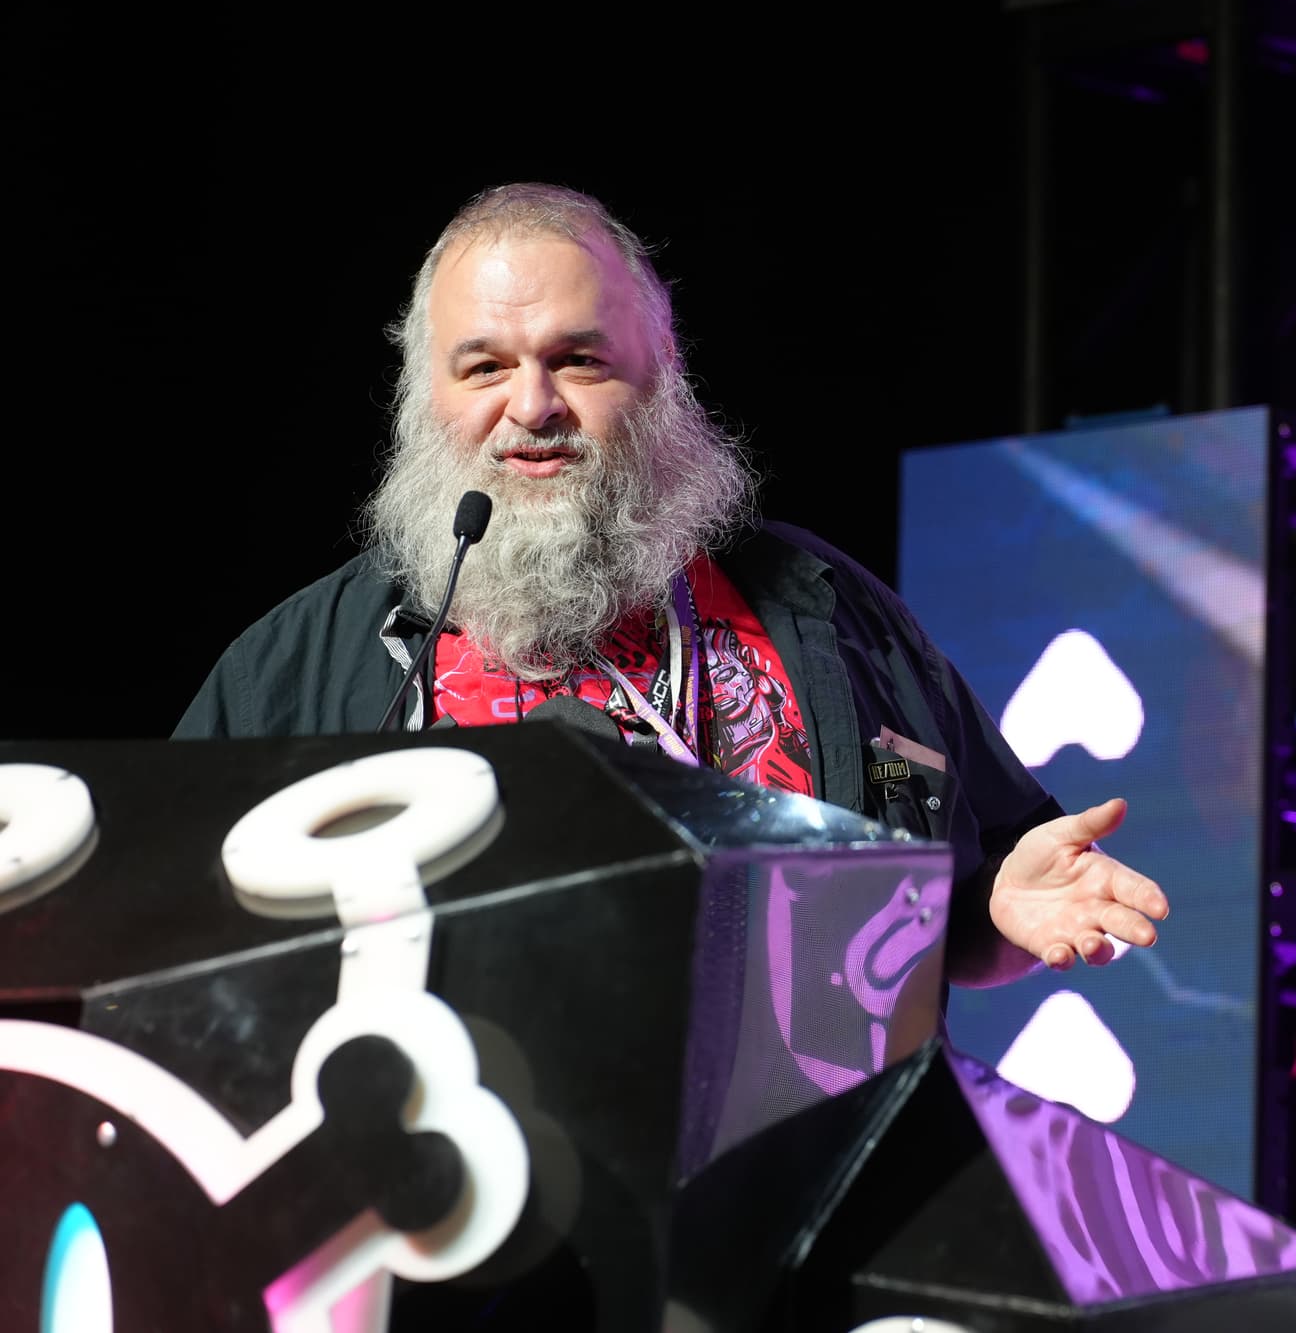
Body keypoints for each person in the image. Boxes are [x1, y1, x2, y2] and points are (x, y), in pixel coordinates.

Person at [173, 182, 1168, 989]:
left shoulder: (825, 613)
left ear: (661, 377)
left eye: (579, 361)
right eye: (484, 368)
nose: (532, 406)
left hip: (795, 1201)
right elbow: (165, 942)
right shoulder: (296, 671)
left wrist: (994, 907)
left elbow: (970, 901)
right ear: (422, 393)